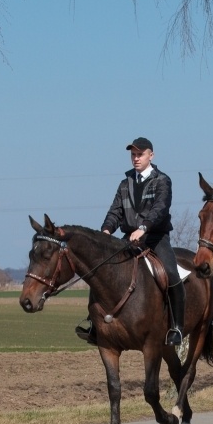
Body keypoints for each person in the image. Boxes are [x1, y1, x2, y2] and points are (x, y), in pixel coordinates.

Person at [76, 137, 185, 346]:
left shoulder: (162, 180)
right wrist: (106, 230)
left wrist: (143, 227)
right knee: (100, 269)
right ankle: (94, 325)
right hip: (129, 240)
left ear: (151, 155)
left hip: (155, 238)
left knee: (172, 274)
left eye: (140, 154)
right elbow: (115, 211)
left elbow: (160, 209)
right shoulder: (125, 183)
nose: (136, 158)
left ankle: (177, 328)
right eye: (133, 155)